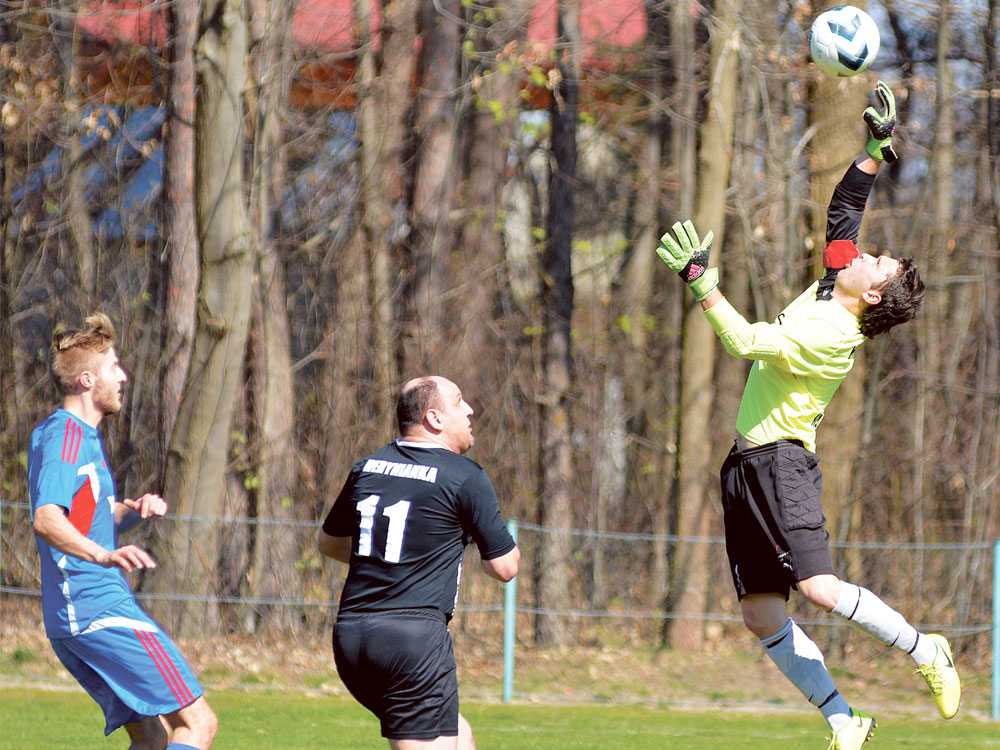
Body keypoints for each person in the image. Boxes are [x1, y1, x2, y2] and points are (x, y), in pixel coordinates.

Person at [655, 81, 959, 750]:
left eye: (876, 260)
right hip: (746, 464)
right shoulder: (836, 281)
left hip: (784, 464)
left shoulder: (833, 333)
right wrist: (875, 149)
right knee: (761, 614)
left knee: (818, 588)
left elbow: (742, 341)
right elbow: (845, 206)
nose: (867, 252)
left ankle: (923, 648)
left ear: (873, 290)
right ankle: (844, 719)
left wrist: (702, 280)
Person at [27, 312, 217, 750]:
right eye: (115, 367)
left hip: (74, 618)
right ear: (88, 380)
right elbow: (47, 519)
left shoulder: (73, 436)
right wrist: (103, 555)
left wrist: (132, 513)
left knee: (151, 737)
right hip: (97, 610)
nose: (124, 376)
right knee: (199, 724)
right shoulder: (66, 439)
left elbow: (84, 515)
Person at [318, 375, 520, 750]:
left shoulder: (369, 466)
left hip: (351, 637)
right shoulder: (465, 476)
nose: (470, 409)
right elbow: (504, 567)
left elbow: (329, 544)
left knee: (459, 735)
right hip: (412, 642)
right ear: (435, 418)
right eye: (459, 401)